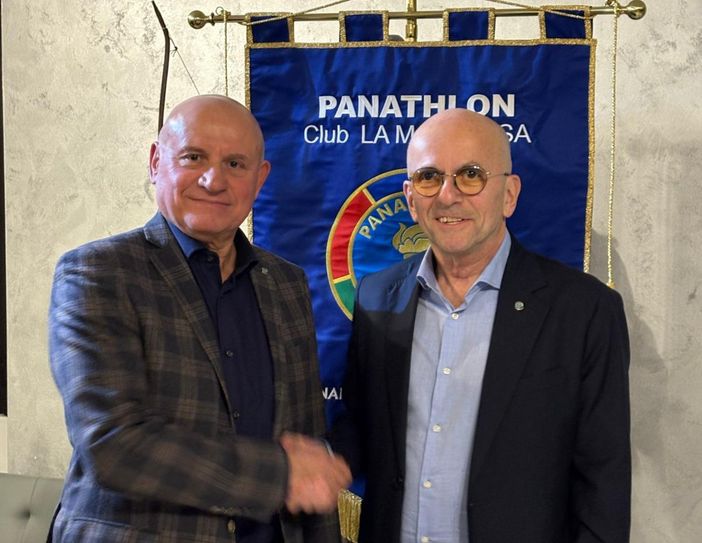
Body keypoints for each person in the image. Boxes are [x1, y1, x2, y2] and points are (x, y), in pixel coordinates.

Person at [49, 95, 350, 543]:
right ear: (156, 162)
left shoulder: (285, 283)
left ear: (260, 179)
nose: (214, 180)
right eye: (194, 157)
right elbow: (112, 445)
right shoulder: (98, 273)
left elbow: (308, 450)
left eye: (235, 164)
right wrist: (278, 474)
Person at [330, 108, 631, 543]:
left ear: (509, 194)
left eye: (470, 175)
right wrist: (320, 462)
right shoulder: (377, 297)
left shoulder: (584, 310)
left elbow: (604, 482)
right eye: (429, 177)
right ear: (411, 199)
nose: (448, 196)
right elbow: (363, 424)